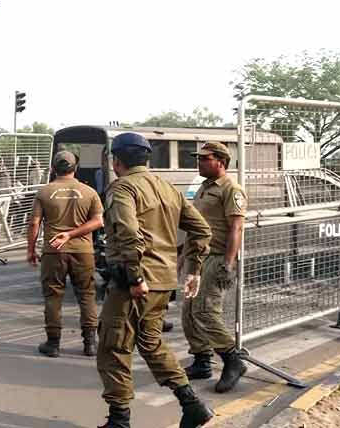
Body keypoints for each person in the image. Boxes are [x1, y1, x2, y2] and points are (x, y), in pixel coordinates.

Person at [97, 132, 214, 428]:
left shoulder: (123, 188)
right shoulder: (168, 188)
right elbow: (202, 230)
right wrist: (194, 270)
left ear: (116, 161)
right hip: (163, 281)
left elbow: (128, 234)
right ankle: (191, 404)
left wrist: (134, 276)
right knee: (151, 343)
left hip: (133, 283)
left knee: (114, 346)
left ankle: (119, 420)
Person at [182, 142, 248, 393]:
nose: (198, 162)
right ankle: (201, 361)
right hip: (197, 258)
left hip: (216, 257)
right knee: (189, 312)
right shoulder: (204, 187)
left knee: (206, 311)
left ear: (221, 161)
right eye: (198, 158)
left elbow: (236, 228)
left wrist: (228, 264)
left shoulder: (231, 189)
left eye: (204, 158)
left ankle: (232, 360)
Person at [27, 151, 104, 358]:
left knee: (53, 296)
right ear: (75, 168)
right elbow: (98, 222)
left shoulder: (44, 192)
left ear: (53, 169)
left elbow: (34, 223)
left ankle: (53, 344)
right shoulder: (89, 192)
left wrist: (30, 250)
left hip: (53, 251)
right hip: (83, 251)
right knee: (86, 295)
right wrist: (72, 234)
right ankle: (90, 344)